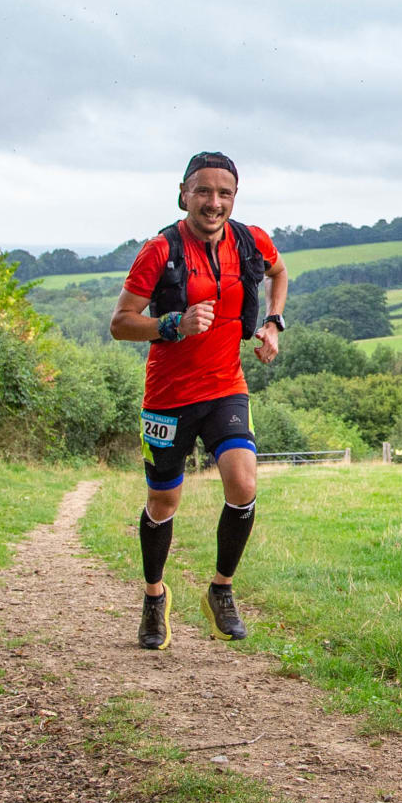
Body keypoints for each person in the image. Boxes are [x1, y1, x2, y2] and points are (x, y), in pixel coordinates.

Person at [109, 151, 289, 650]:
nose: (214, 202)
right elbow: (120, 323)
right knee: (163, 501)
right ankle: (153, 597)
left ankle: (222, 590)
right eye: (204, 191)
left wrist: (273, 322)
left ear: (234, 197)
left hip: (225, 387)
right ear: (183, 193)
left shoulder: (250, 241)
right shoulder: (158, 252)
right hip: (167, 397)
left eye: (224, 193)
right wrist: (173, 323)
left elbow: (279, 273)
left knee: (243, 481)